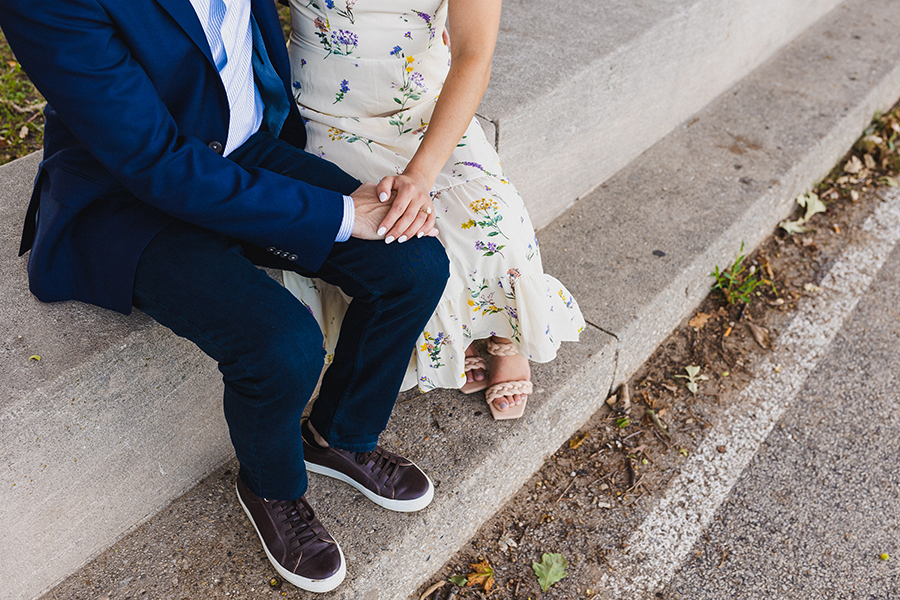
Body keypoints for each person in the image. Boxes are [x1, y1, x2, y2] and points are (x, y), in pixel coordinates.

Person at [0, 0, 449, 593]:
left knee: (413, 264)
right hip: (129, 202)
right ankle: (271, 485)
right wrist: (339, 213)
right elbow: (153, 161)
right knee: (282, 342)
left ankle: (337, 436)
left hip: (242, 150)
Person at [283, 0, 585, 420]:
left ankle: (502, 335)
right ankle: (457, 337)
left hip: (425, 107)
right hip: (325, 115)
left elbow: (474, 55)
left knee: (492, 229)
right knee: (400, 241)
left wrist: (421, 175)